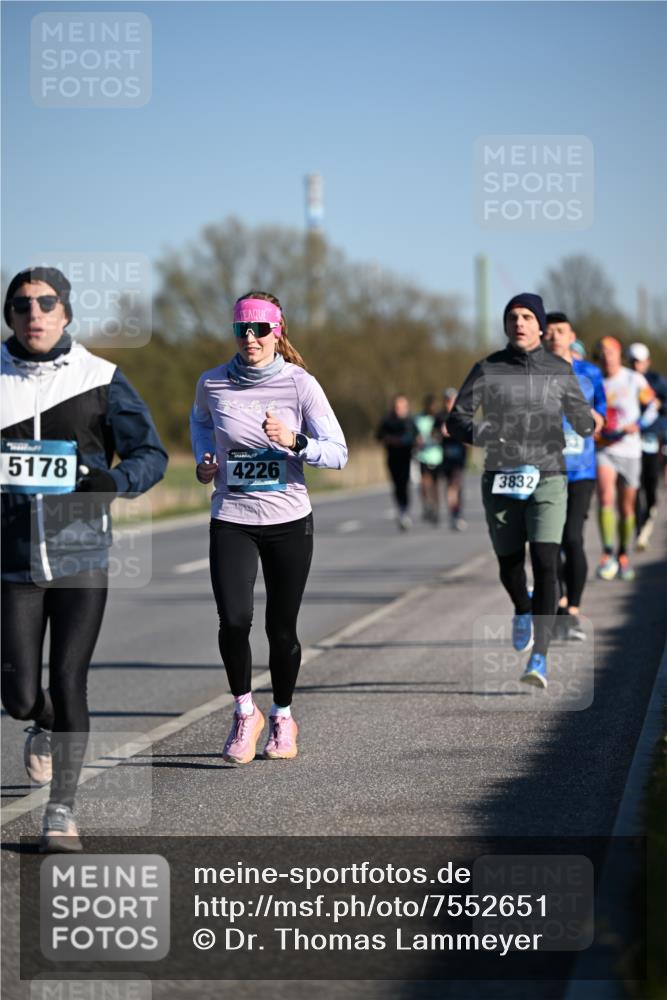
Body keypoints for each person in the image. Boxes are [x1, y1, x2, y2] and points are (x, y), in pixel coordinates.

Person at [1, 266, 167, 852]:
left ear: (66, 312)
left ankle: (61, 811)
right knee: (19, 696)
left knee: (70, 680)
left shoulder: (100, 377)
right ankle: (40, 720)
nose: (35, 313)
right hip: (12, 559)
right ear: (9, 315)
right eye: (22, 305)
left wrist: (112, 482)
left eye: (47, 303)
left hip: (81, 553)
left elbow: (151, 454)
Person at [190, 290, 347, 765]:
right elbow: (200, 424)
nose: (251, 338)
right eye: (243, 328)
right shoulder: (212, 383)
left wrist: (295, 441)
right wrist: (205, 460)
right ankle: (245, 712)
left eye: (260, 329)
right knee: (235, 620)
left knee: (281, 628)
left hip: (288, 520)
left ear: (277, 331)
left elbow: (338, 452)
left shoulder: (300, 384)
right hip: (232, 517)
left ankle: (282, 716)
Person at [447, 293, 594, 688]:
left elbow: (582, 419)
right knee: (510, 563)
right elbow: (456, 421)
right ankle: (522, 606)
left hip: (548, 475)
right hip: (501, 476)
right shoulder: (488, 368)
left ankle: (539, 657)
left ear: (540, 326)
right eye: (513, 317)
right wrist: (488, 432)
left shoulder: (560, 369)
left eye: (528, 317)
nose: (519, 323)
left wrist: (585, 420)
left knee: (546, 561)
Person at [544, 312, 606, 641]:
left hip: (581, 469)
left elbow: (602, 415)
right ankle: (558, 605)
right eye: (549, 331)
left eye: (561, 331)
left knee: (572, 538)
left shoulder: (590, 373)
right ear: (542, 337)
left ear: (571, 336)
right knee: (548, 544)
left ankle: (573, 611)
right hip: (546, 469)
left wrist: (595, 417)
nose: (554, 336)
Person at [594, 337, 658, 581]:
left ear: (618, 355)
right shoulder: (595, 380)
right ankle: (607, 552)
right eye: (602, 353)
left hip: (630, 449)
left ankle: (623, 553)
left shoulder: (633, 378)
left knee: (626, 506)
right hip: (605, 448)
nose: (606, 357)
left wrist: (638, 425)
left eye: (610, 352)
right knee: (605, 496)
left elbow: (653, 405)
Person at [627, 342, 667, 550]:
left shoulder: (657, 381)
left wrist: (660, 405)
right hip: (630, 441)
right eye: (632, 361)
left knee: (650, 484)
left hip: (652, 439)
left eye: (639, 361)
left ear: (647, 362)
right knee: (634, 485)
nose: (636, 365)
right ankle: (639, 529)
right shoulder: (624, 380)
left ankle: (649, 514)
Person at [376, 394, 418, 530]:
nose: (400, 409)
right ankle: (401, 508)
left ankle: (404, 510)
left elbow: (417, 437)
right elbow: (379, 436)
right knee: (397, 485)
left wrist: (415, 443)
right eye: (397, 406)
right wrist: (391, 439)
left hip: (407, 458)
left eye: (402, 406)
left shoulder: (411, 421)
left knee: (405, 484)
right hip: (393, 458)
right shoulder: (387, 421)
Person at [438, 388, 468, 531]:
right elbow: (434, 434)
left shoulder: (462, 415)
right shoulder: (440, 417)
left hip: (459, 458)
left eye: (453, 400)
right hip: (446, 458)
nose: (450, 403)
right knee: (451, 486)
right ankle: (454, 514)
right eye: (448, 400)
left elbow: (469, 434)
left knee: (457, 486)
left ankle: (457, 513)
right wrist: (440, 433)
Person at [414, 394, 444, 524]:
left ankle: (436, 509)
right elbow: (413, 433)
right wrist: (417, 440)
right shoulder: (418, 418)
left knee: (436, 484)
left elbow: (443, 434)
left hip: (437, 456)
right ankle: (427, 504)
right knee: (425, 482)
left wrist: (439, 437)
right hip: (423, 456)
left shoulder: (439, 418)